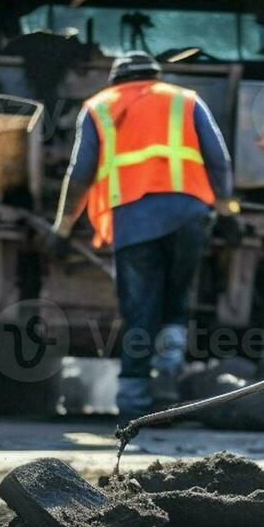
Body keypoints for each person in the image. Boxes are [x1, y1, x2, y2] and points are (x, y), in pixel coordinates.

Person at [48, 51, 234, 420]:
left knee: (140, 310)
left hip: (134, 220)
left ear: (117, 80)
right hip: (189, 217)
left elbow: (80, 173)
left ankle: (133, 402)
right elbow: (218, 159)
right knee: (176, 301)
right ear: (156, 75)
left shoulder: (99, 107)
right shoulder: (185, 100)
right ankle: (168, 373)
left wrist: (63, 227)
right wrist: (227, 210)